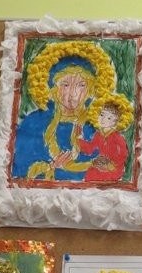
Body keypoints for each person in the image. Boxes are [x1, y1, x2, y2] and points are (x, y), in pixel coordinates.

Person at [11, 41, 117, 181]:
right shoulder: (34, 122)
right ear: (52, 88)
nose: (72, 95)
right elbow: (19, 171)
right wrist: (51, 167)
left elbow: (112, 170)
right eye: (65, 85)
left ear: (91, 90)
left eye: (81, 85)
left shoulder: (99, 124)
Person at [75, 95, 132, 182]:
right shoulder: (98, 134)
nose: (103, 119)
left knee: (96, 177)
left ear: (117, 121)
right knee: (89, 174)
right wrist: (80, 138)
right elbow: (90, 149)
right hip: (100, 165)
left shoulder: (118, 138)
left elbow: (123, 155)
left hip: (114, 169)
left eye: (109, 118)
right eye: (102, 115)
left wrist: (109, 165)